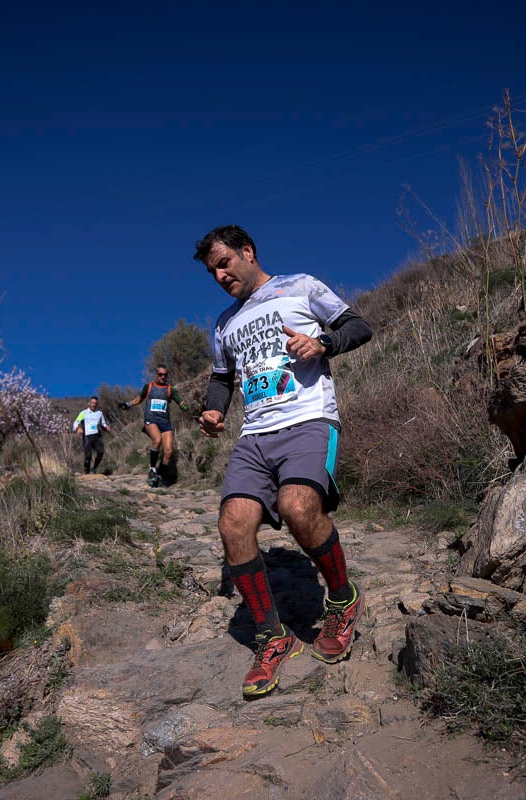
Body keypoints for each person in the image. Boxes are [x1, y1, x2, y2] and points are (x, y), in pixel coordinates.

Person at [194, 224, 374, 698]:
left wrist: (323, 343)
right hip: (254, 436)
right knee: (233, 525)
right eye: (212, 270)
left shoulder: (301, 286)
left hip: (309, 421)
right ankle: (274, 637)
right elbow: (222, 378)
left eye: (225, 262)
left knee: (298, 509)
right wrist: (215, 409)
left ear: (247, 252)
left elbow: (359, 326)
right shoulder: (224, 323)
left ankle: (340, 597)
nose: (219, 274)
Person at [120, 365, 191, 487]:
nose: (163, 377)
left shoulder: (170, 389)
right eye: (160, 374)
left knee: (168, 451)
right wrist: (128, 404)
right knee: (157, 440)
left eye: (165, 375)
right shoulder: (149, 387)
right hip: (151, 420)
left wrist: (184, 405)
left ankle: (160, 475)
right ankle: (152, 469)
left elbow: (180, 400)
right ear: (156, 375)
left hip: (165, 423)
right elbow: (139, 399)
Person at [73, 396, 110, 474]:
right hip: (87, 436)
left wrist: (106, 427)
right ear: (89, 403)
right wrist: (78, 428)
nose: (94, 405)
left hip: (97, 436)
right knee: (88, 456)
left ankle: (94, 469)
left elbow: (103, 423)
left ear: (97, 404)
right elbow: (75, 422)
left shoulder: (99, 413)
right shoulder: (83, 413)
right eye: (92, 403)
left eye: (95, 403)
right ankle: (86, 472)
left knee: (101, 452)